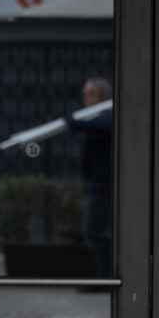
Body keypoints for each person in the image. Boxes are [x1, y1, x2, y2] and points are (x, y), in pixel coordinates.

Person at [62, 76, 114, 278]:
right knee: (94, 231)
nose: (86, 98)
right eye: (85, 94)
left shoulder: (107, 115)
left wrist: (73, 121)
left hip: (105, 185)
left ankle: (105, 277)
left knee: (96, 231)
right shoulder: (94, 117)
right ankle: (102, 275)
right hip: (95, 183)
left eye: (91, 94)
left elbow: (99, 124)